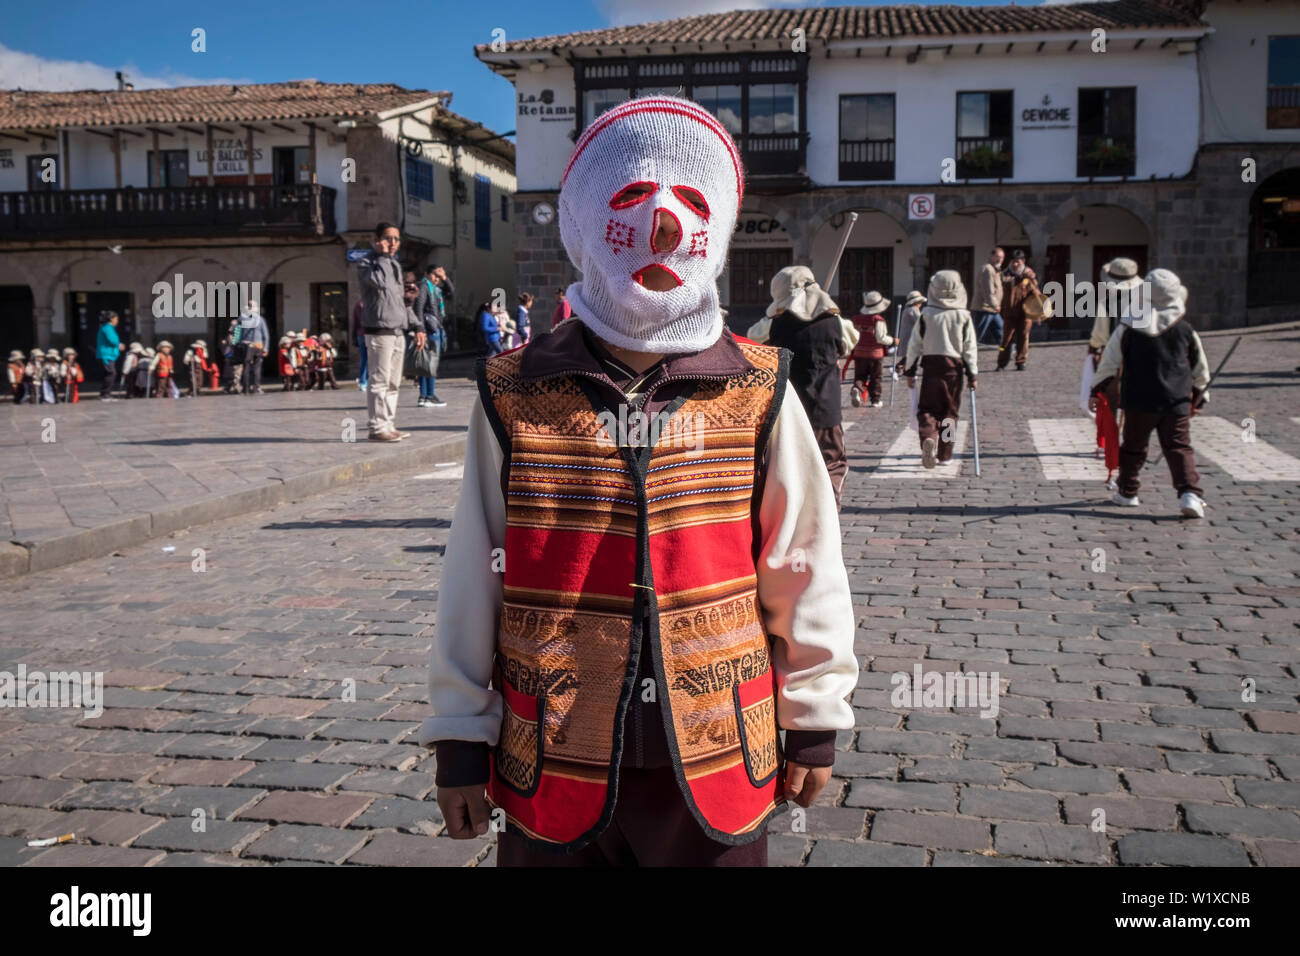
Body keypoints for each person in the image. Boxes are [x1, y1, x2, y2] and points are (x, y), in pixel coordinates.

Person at [421, 95, 857, 868]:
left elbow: (804, 560)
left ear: (717, 231)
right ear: (583, 221)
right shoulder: (512, 388)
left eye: (691, 203)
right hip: (550, 753)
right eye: (630, 197)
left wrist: (814, 713)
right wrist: (460, 734)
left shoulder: (760, 387)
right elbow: (473, 569)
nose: (662, 223)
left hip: (720, 752)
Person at [1090, 268, 1210, 518]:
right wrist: (1199, 396)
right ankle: (1189, 494)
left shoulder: (1128, 327)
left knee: (1133, 447)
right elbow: (1200, 367)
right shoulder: (1185, 329)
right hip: (1175, 400)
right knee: (1178, 447)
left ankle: (1128, 492)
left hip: (1139, 400)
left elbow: (1109, 362)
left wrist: (1097, 389)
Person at [766, 264, 851, 510]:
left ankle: (799, 507)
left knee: (793, 460)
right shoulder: (834, 322)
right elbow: (844, 345)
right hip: (826, 404)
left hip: (790, 404)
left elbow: (760, 342)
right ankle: (830, 502)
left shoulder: (777, 324)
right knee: (833, 459)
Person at [355, 222, 426, 442]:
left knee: (394, 382)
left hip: (398, 331)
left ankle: (388, 424)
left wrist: (417, 326)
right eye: (388, 238)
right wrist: (382, 256)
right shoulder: (367, 262)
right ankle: (377, 427)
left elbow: (400, 302)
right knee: (379, 380)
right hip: (379, 331)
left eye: (396, 239)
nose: (393, 243)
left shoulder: (394, 264)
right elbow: (380, 283)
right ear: (376, 240)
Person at [903, 271, 979, 468]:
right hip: (954, 371)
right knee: (950, 413)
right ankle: (945, 455)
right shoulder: (963, 316)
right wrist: (973, 374)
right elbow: (969, 347)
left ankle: (928, 437)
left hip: (931, 368)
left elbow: (914, 345)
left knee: (927, 409)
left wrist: (910, 371)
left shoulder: (926, 315)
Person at [995, 249, 1040, 371]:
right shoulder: (1004, 274)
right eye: (1013, 262)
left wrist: (1038, 312)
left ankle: (1021, 361)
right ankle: (1001, 362)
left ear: (1023, 261)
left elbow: (1035, 293)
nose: (1015, 264)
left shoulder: (1029, 275)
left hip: (1025, 313)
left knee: (1023, 337)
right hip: (1008, 312)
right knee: (1005, 340)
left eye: (1018, 262)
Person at [850, 290, 893, 408]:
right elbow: (880, 338)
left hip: (859, 352)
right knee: (876, 378)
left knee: (860, 375)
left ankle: (857, 388)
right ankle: (875, 400)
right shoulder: (878, 320)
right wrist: (893, 340)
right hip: (875, 354)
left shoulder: (856, 319)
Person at [413, 266, 445, 408]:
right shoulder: (424, 286)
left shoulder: (435, 290)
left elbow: (451, 291)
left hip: (433, 328)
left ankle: (425, 396)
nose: (436, 277)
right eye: (434, 274)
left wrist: (445, 278)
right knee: (430, 363)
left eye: (438, 275)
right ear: (426, 273)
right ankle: (428, 395)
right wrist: (420, 328)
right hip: (429, 330)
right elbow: (419, 307)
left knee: (427, 363)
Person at [970, 247, 1005, 346]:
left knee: (1001, 332)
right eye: (997, 257)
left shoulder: (995, 270)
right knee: (976, 336)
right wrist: (995, 305)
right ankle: (966, 356)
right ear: (991, 256)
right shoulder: (988, 269)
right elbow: (987, 290)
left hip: (992, 310)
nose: (1000, 260)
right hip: (983, 309)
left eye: (1002, 258)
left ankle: (1006, 352)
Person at [237, 300, 269, 394]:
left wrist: (237, 345)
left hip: (246, 345)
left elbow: (237, 334)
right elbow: (265, 335)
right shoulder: (260, 319)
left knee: (246, 367)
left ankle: (245, 389)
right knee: (257, 367)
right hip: (258, 346)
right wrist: (266, 347)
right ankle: (256, 388)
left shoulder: (241, 319)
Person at [894, 290, 925, 377]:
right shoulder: (913, 310)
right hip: (910, 337)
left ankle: (901, 367)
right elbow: (920, 321)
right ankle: (903, 369)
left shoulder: (907, 309)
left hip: (908, 336)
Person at [96, 310, 125, 400]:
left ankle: (105, 393)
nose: (117, 321)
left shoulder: (107, 327)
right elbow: (112, 340)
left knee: (109, 373)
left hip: (109, 354)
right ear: (111, 319)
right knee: (111, 373)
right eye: (116, 319)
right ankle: (105, 394)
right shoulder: (107, 327)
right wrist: (118, 344)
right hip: (107, 354)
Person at [351, 298, 368, 390]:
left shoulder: (358, 304)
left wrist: (354, 336)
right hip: (372, 334)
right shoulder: (373, 302)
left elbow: (355, 322)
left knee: (363, 358)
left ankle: (363, 381)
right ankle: (368, 380)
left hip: (361, 334)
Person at [220, 320, 241, 394]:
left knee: (234, 373)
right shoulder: (231, 336)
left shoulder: (233, 335)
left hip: (232, 355)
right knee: (235, 373)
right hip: (232, 355)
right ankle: (235, 388)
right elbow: (233, 344)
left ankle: (229, 388)